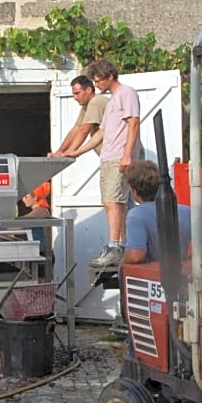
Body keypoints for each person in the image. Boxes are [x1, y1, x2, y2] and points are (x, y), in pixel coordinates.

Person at [66, 60, 143, 267]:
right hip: (108, 157)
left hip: (119, 156)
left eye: (98, 80)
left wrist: (127, 154)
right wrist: (76, 152)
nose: (97, 84)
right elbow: (101, 133)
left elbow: (133, 123)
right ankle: (123, 245)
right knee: (114, 203)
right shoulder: (110, 101)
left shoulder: (126, 93)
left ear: (110, 76)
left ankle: (115, 247)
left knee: (113, 202)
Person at [120, 160, 202, 265]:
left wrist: (121, 261)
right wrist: (195, 254)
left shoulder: (136, 215)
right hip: (181, 273)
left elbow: (136, 256)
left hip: (154, 276)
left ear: (134, 191)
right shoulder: (185, 211)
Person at [49, 75, 108, 158]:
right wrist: (59, 152)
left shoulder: (96, 102)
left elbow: (84, 130)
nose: (75, 98)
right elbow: (76, 129)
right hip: (108, 157)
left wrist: (70, 152)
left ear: (88, 90)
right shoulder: (86, 106)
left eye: (77, 93)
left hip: (116, 156)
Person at [18, 181, 51, 253]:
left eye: (26, 196)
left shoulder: (39, 211)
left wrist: (0, 227)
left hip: (42, 252)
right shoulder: (40, 210)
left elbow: (21, 223)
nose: (23, 199)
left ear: (35, 197)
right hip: (39, 250)